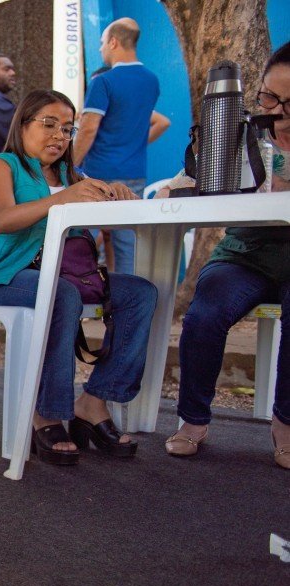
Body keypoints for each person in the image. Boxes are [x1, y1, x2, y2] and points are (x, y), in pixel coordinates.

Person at [0, 89, 157, 466]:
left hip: (65, 272)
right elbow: (3, 220)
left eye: (67, 129)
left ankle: (94, 401)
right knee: (61, 293)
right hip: (3, 273)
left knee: (141, 294)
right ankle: (47, 413)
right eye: (48, 124)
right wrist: (64, 198)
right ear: (22, 126)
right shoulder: (2, 165)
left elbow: (94, 222)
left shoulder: (70, 173)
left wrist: (117, 198)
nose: (59, 136)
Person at [166, 40, 290, 469]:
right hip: (245, 252)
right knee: (203, 315)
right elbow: (181, 184)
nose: (278, 111)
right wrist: (181, 184)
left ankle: (286, 423)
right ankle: (193, 420)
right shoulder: (241, 132)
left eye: (289, 102)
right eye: (270, 97)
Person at [72, 18, 160, 275]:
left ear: (113, 42)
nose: (101, 50)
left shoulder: (104, 82)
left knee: (80, 241)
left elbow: (88, 129)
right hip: (135, 173)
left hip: (99, 173)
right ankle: (126, 308)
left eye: (101, 43)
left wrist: (71, 165)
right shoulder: (151, 81)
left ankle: (80, 296)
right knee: (127, 248)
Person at [86, 63, 169, 271]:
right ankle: (124, 294)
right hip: (131, 171)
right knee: (124, 242)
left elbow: (162, 121)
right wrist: (136, 143)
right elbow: (163, 122)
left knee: (87, 236)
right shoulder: (128, 107)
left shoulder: (106, 103)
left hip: (100, 171)